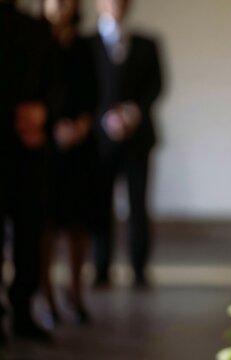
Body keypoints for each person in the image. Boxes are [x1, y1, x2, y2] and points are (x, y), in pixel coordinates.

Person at [90, 0, 162, 288]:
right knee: (99, 204)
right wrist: (104, 118)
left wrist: (131, 114)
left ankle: (139, 268)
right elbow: (84, 87)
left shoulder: (147, 43)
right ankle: (100, 268)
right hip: (99, 140)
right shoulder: (88, 44)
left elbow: (157, 84)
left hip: (138, 138)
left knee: (138, 205)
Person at [0, 0, 56, 341]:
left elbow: (53, 81)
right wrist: (16, 116)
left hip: (28, 150)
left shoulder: (36, 29)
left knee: (29, 233)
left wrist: (43, 114)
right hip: (11, 138)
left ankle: (22, 310)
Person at [41, 0, 97, 324]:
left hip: (81, 146)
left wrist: (82, 125)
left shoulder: (84, 45)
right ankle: (46, 294)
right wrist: (53, 126)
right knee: (45, 224)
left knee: (78, 223)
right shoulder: (34, 39)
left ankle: (75, 292)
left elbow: (94, 90)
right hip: (46, 146)